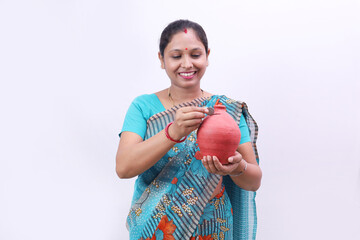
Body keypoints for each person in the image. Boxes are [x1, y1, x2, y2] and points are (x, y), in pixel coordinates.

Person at [116, 19, 262, 240]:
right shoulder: (143, 107)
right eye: (176, 56)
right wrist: (172, 132)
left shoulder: (227, 111)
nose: (187, 64)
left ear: (207, 55)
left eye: (195, 55)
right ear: (161, 59)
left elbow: (254, 181)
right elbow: (124, 168)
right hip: (155, 227)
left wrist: (236, 167)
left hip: (214, 228)